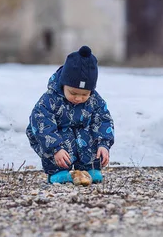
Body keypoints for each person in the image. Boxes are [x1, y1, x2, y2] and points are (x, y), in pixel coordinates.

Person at [26, 45, 115, 184]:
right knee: (59, 135)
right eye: (73, 93)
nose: (78, 98)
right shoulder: (49, 100)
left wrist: (104, 144)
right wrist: (55, 149)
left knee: (88, 132)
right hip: (55, 135)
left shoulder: (95, 100)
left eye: (85, 94)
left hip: (80, 134)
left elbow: (103, 120)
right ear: (63, 84)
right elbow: (42, 122)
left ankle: (88, 168)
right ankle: (57, 170)